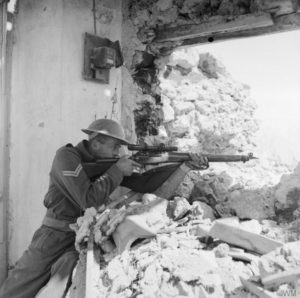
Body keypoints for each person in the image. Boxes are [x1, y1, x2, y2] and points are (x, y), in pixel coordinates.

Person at [0, 118, 208, 298]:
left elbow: (147, 184)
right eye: (115, 146)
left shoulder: (108, 164)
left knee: (65, 288)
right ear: (96, 143)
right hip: (53, 235)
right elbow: (87, 199)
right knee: (19, 287)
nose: (119, 152)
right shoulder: (66, 156)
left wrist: (184, 166)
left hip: (82, 238)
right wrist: (118, 170)